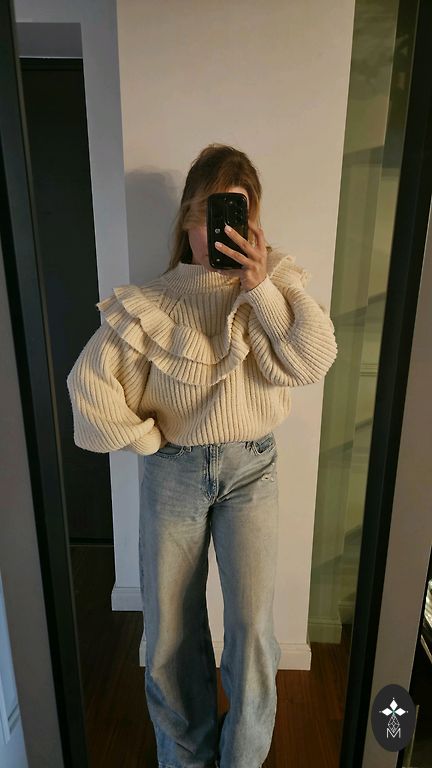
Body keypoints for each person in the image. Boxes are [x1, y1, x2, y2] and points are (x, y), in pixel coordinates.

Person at [66, 143, 338, 768]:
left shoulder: (277, 284)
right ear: (189, 217)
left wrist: (259, 287)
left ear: (254, 223)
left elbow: (312, 362)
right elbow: (88, 385)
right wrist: (146, 440)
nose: (220, 233)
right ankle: (185, 757)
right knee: (169, 631)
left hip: (253, 469)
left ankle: (242, 758)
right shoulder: (152, 303)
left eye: (238, 216)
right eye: (211, 215)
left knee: (252, 630)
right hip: (174, 473)